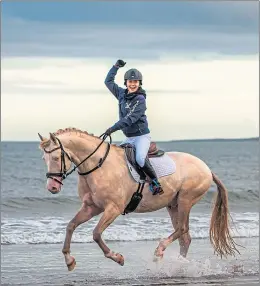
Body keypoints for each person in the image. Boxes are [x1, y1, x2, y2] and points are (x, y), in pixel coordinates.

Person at [104, 59, 163, 195]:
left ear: (139, 83)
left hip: (141, 136)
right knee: (115, 159)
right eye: (130, 82)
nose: (132, 84)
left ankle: (155, 183)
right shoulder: (121, 94)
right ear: (126, 83)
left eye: (135, 82)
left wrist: (112, 129)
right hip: (129, 137)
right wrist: (115, 67)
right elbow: (108, 82)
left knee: (140, 159)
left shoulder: (140, 99)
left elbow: (130, 119)